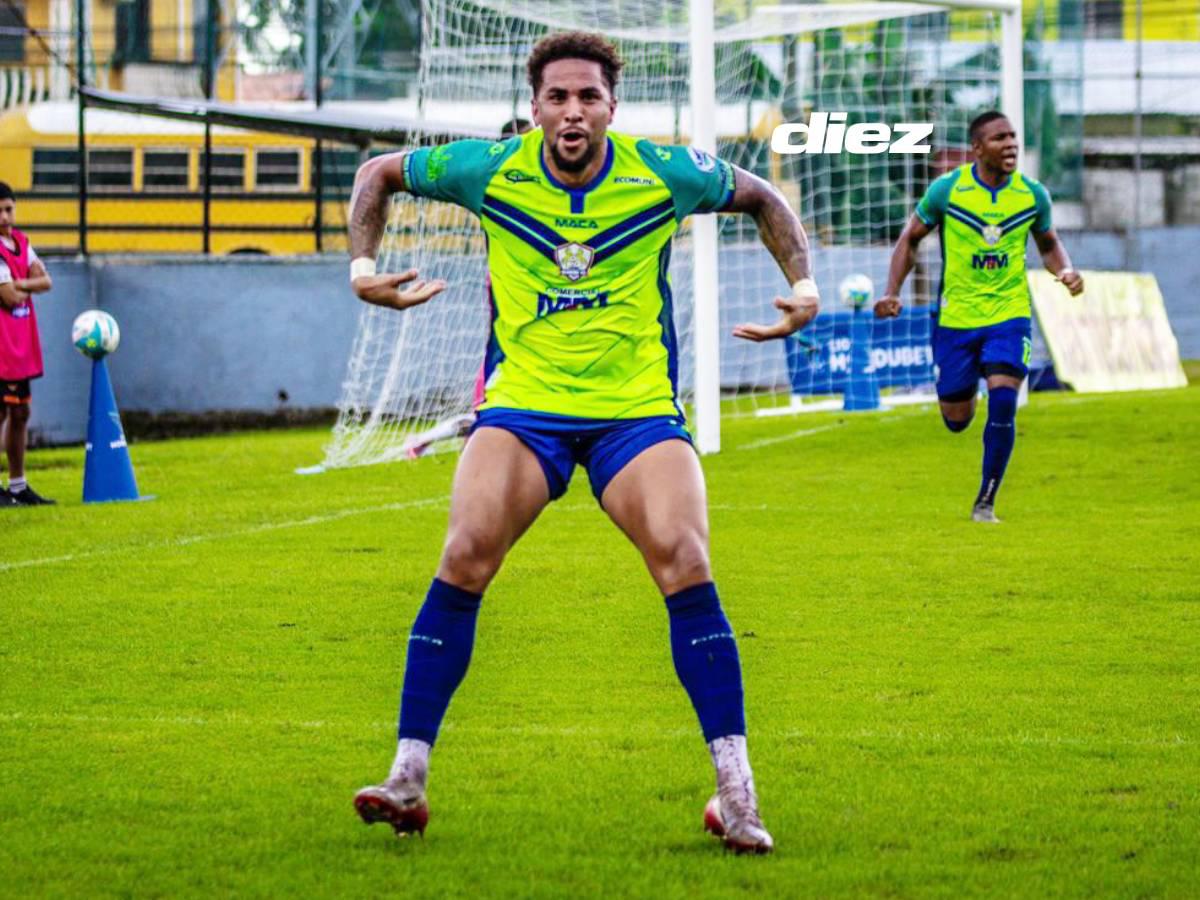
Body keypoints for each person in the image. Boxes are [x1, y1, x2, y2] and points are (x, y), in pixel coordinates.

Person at [346, 31, 820, 854]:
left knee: (685, 556)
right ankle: (407, 776)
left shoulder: (660, 172)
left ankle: (737, 797)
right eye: (557, 97)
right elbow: (377, 173)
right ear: (534, 107)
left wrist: (804, 286)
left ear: (612, 106)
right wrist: (361, 267)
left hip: (635, 410)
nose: (572, 111)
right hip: (523, 408)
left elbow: (762, 199)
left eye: (588, 97)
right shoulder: (488, 168)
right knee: (464, 553)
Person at [874, 110, 1083, 523]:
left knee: (1004, 400)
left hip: (1009, 313)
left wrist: (1066, 270)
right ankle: (963, 398)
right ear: (977, 148)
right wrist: (891, 292)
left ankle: (985, 501)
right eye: (999, 138)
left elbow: (1049, 243)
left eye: (1013, 137)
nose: (1010, 145)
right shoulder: (947, 191)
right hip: (956, 317)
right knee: (957, 419)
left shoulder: (1032, 194)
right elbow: (909, 239)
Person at [403, 115, 535, 460]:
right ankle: (437, 437)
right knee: (494, 396)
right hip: (509, 284)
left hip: (531, 288)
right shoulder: (498, 178)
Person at [0, 181, 55, 508]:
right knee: (2, 411)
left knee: (21, 412)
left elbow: (45, 281)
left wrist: (20, 281)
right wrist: (24, 284)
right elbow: (8, 297)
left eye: (9, 209)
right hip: (2, 345)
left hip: (21, 344)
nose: (5, 217)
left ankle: (18, 486)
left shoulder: (21, 241)